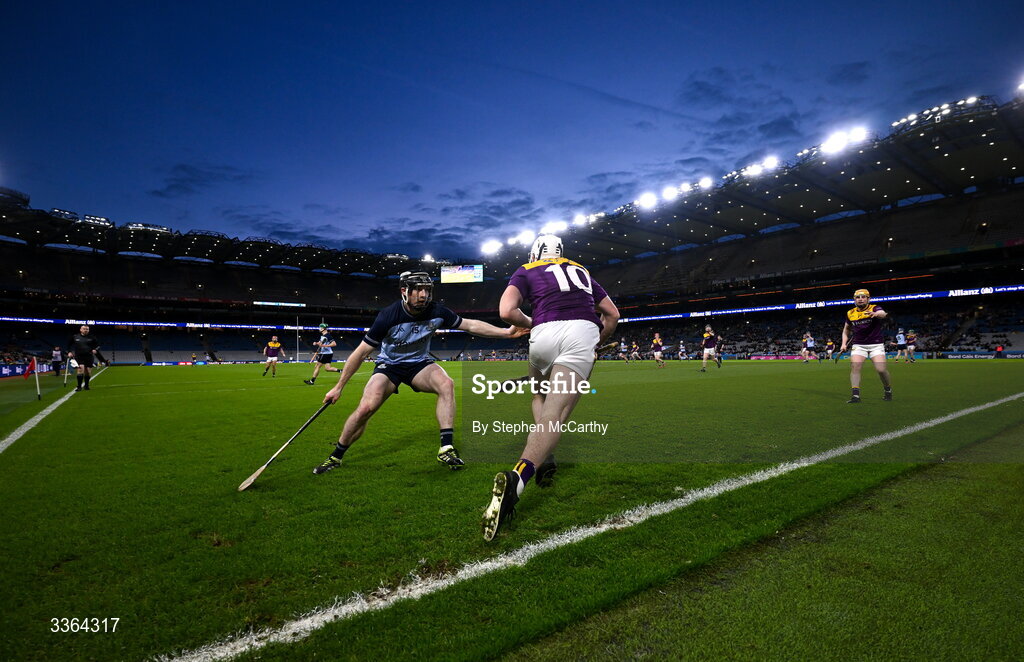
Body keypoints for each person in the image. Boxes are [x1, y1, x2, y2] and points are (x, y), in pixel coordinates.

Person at [313, 272, 527, 475]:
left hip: (419, 363)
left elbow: (469, 325)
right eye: (418, 290)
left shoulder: (438, 311)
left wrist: (506, 333)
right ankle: (336, 456)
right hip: (390, 365)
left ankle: (446, 449)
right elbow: (360, 353)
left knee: (446, 383)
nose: (424, 295)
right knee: (366, 408)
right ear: (404, 291)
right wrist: (338, 387)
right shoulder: (388, 316)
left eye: (427, 290)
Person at [483, 234, 619, 541]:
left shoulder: (526, 269)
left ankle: (547, 456)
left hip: (542, 332)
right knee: (555, 415)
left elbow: (506, 312)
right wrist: (599, 340)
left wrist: (530, 322)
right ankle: (518, 478)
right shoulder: (581, 269)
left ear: (535, 252)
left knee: (539, 396)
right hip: (581, 331)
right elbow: (612, 314)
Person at [839, 288, 893, 403]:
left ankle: (888, 390)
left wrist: (876, 314)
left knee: (881, 369)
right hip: (859, 345)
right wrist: (843, 344)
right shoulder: (850, 313)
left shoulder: (874, 308)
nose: (860, 299)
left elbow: (883, 314)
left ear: (868, 299)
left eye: (863, 297)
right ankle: (855, 396)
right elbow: (846, 330)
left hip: (876, 344)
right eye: (857, 297)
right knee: (855, 367)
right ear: (854, 300)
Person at [67, 325, 98, 391]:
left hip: (89, 356)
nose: (85, 330)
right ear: (80, 329)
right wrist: (69, 352)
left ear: (88, 330)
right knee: (80, 370)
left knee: (88, 372)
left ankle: (86, 386)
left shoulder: (92, 337)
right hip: (79, 356)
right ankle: (79, 386)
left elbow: (98, 345)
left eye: (87, 329)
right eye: (84, 329)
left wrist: (95, 349)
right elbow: (69, 345)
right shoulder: (75, 337)